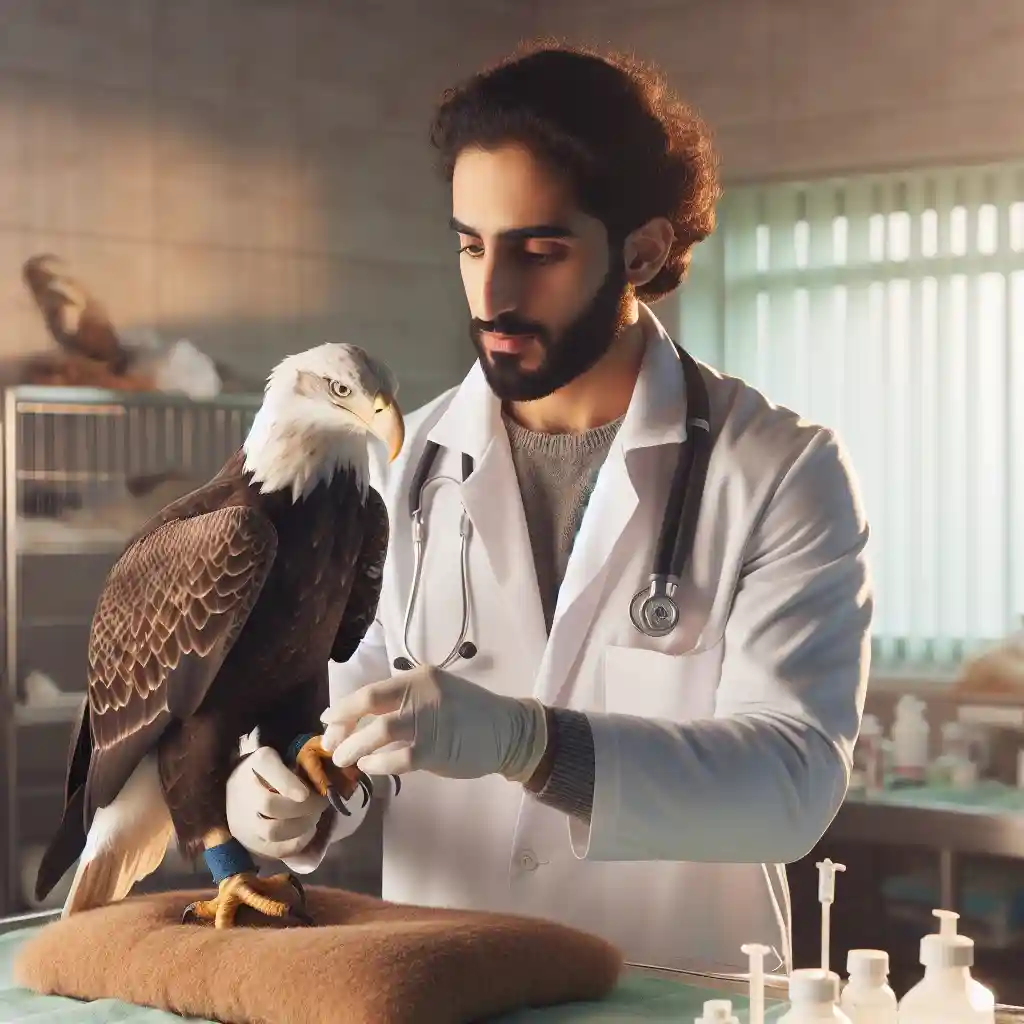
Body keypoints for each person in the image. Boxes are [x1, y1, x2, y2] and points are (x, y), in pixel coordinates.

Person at [225, 42, 872, 976]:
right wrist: (294, 788)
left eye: (541, 250)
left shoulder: (778, 469)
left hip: (672, 992)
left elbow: (790, 786)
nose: (493, 293)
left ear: (642, 251)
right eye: (471, 245)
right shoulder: (409, 464)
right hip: (444, 981)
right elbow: (354, 695)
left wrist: (530, 744)